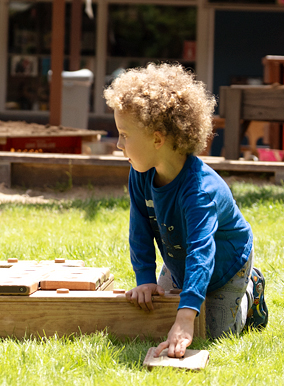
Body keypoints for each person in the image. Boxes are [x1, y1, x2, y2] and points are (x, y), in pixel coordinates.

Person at [103, 63, 268, 358]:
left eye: (125, 135)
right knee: (158, 319)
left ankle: (250, 290)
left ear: (157, 138)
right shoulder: (140, 173)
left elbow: (201, 252)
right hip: (180, 257)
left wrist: (186, 316)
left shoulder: (200, 192)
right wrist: (145, 280)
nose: (118, 144)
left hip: (226, 266)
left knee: (213, 332)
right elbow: (139, 228)